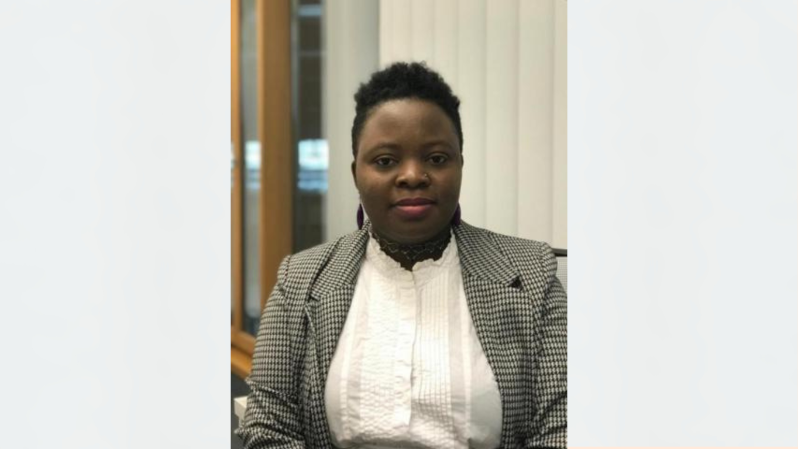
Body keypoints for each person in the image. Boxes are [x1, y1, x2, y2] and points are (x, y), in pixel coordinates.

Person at [236, 62, 567, 448]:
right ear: (355, 172)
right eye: (386, 161)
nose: (412, 175)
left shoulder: (531, 274)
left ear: (461, 164)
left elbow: (561, 427)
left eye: (437, 158)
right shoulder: (300, 279)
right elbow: (267, 428)